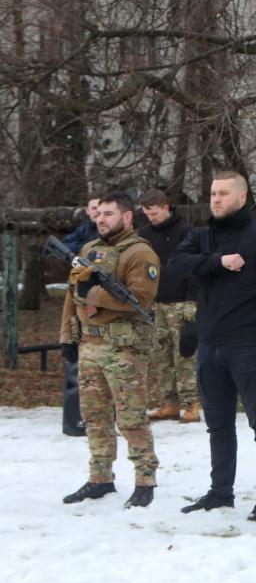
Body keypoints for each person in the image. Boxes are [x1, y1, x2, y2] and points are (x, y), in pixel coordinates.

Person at [166, 171, 256, 522]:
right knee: (218, 425)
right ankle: (220, 492)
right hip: (210, 347)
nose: (216, 199)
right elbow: (175, 265)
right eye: (213, 193)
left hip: (249, 345)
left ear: (242, 198)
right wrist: (217, 262)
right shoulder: (201, 236)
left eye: (224, 193)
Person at [59, 191, 162, 508]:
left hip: (124, 349)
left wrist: (95, 294)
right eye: (98, 214)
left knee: (131, 418)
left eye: (108, 214)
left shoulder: (140, 254)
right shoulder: (89, 249)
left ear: (127, 217)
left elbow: (138, 300)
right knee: (94, 417)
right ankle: (100, 477)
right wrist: (66, 335)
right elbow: (71, 294)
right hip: (89, 344)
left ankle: (145, 479)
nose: (101, 219)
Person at [138, 189, 200, 423]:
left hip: (181, 301)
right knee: (160, 355)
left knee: (184, 355)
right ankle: (169, 403)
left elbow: (196, 267)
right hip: (156, 302)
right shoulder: (143, 234)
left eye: (153, 213)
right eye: (146, 214)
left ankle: (191, 403)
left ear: (165, 208)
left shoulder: (186, 232)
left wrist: (192, 301)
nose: (150, 218)